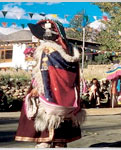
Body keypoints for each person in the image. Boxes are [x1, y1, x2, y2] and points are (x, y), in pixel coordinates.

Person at [14, 19, 85, 148]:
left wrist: (38, 87)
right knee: (63, 116)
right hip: (67, 93)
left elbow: (45, 72)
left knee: (46, 113)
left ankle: (45, 140)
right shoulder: (70, 50)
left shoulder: (46, 50)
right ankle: (60, 141)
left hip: (49, 90)